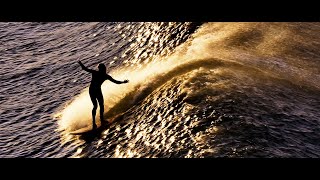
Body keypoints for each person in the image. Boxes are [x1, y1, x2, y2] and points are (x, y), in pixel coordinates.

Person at [78, 61, 129, 129]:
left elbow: (115, 82)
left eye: (104, 68)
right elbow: (85, 69)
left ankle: (102, 120)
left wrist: (123, 82)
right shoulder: (95, 73)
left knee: (101, 105)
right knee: (95, 106)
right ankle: (93, 123)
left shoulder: (106, 76)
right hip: (92, 91)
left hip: (98, 91)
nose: (105, 70)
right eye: (103, 69)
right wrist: (81, 64)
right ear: (100, 69)